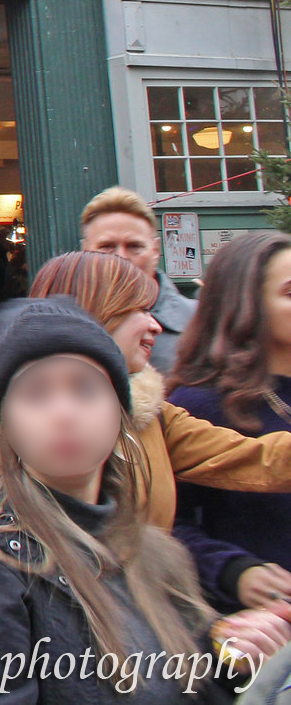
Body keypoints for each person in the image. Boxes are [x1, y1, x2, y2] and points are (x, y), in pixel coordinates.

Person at [0, 302, 291, 703]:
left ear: (121, 419)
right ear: (2, 434)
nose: (64, 413)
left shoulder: (152, 552)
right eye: (35, 395)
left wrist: (231, 660)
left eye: (86, 389)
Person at [0, 250, 291, 546]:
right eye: (141, 310)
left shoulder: (150, 410)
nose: (156, 326)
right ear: (97, 310)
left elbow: (257, 460)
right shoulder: (3, 404)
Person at [169, 230, 291, 612]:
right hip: (257, 637)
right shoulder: (198, 405)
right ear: (247, 304)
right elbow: (164, 523)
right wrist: (233, 571)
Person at [82, 185, 195, 374]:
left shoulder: (199, 322)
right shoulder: (64, 324)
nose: (121, 257)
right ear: (85, 251)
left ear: (155, 251)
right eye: (107, 246)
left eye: (134, 246)